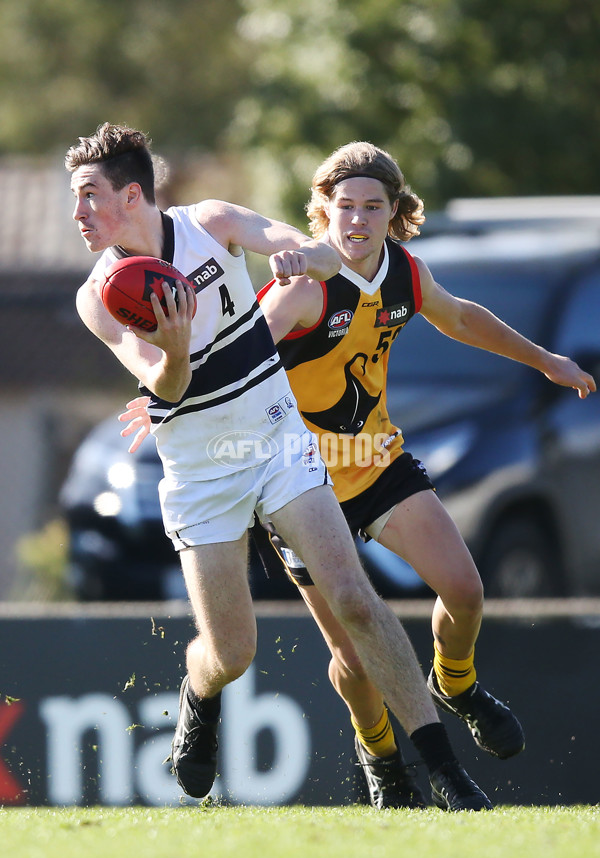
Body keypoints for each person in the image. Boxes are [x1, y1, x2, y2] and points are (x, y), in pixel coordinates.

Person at [119, 139, 597, 809]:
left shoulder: (404, 272)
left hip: (374, 463)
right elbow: (237, 345)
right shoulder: (303, 291)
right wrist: (164, 388)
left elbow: (460, 317)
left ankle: (454, 683)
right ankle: (380, 759)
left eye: (374, 206)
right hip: (300, 481)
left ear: (395, 212)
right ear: (321, 213)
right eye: (344, 206)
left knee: (465, 590)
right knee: (352, 647)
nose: (358, 220)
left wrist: (545, 360)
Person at [66, 122, 493, 812]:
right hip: (202, 472)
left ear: (132, 195)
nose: (77, 214)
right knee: (232, 651)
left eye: (88, 196)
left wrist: (301, 258)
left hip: (278, 443)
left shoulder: (210, 223)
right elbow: (165, 387)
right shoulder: (100, 295)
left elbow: (311, 251)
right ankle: (198, 693)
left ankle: (445, 772)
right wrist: (174, 349)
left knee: (355, 598)